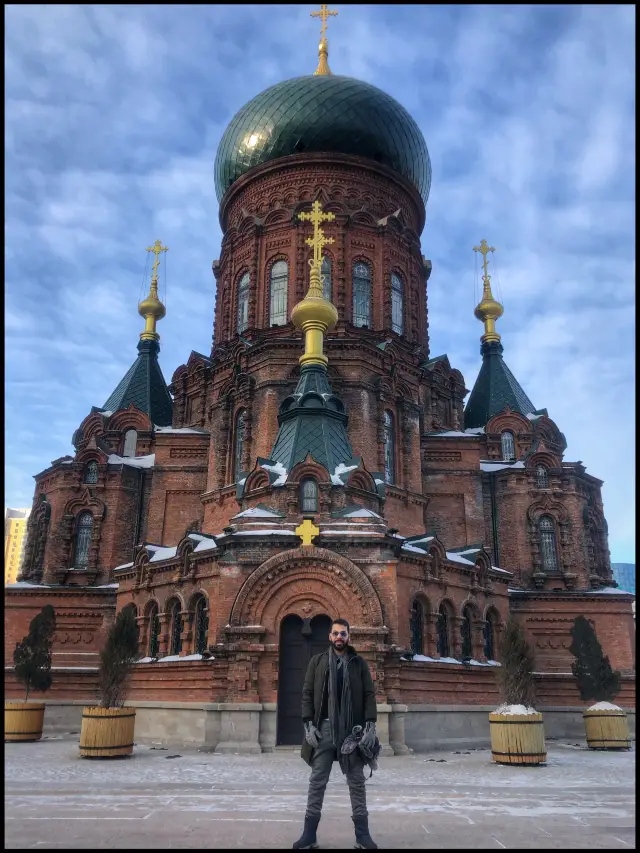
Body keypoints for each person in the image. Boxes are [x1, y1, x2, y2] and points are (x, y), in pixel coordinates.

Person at [292, 618, 378, 850]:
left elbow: (369, 694)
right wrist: (308, 723)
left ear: (349, 637)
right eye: (336, 633)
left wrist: (370, 724)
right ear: (330, 637)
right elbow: (307, 694)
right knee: (317, 781)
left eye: (343, 634)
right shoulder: (317, 662)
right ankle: (309, 836)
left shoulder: (358, 663)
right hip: (325, 729)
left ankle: (363, 836)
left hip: (352, 731)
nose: (339, 637)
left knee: (356, 782)